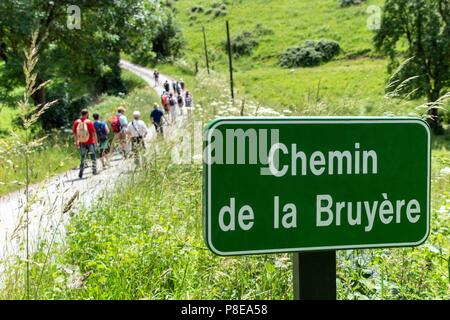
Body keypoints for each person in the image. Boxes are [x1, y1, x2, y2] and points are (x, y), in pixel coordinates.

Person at [73, 109, 98, 179]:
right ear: (87, 114)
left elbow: (75, 134)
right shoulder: (89, 122)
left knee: (82, 157)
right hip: (90, 142)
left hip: (81, 142)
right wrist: (96, 142)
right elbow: (93, 133)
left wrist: (76, 143)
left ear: (81, 114)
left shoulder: (76, 122)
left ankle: (81, 170)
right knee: (93, 156)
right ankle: (94, 170)